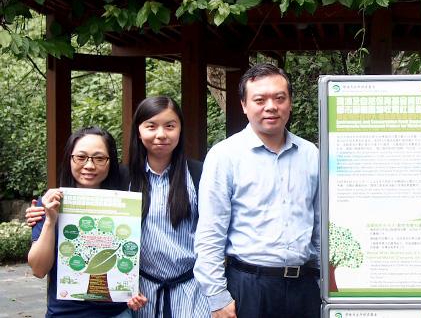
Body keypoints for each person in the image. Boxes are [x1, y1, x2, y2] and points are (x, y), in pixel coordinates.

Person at [194, 63, 321, 318]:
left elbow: (318, 226)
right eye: (260, 99)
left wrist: (324, 284)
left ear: (290, 102)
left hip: (304, 286)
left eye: (279, 98)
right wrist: (217, 297)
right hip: (249, 287)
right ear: (244, 105)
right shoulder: (224, 156)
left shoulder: (311, 154)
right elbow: (210, 233)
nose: (271, 106)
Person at [26, 126, 131, 318]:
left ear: (110, 162)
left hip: (117, 314)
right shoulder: (49, 203)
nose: (89, 165)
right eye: (81, 157)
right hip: (65, 313)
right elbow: (38, 270)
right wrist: (50, 220)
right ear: (70, 159)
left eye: (99, 158)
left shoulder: (126, 206)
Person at [123, 96, 210, 318]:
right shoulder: (123, 178)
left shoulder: (200, 175)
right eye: (151, 126)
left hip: (193, 291)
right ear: (139, 130)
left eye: (170, 126)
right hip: (140, 295)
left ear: (180, 130)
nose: (161, 134)